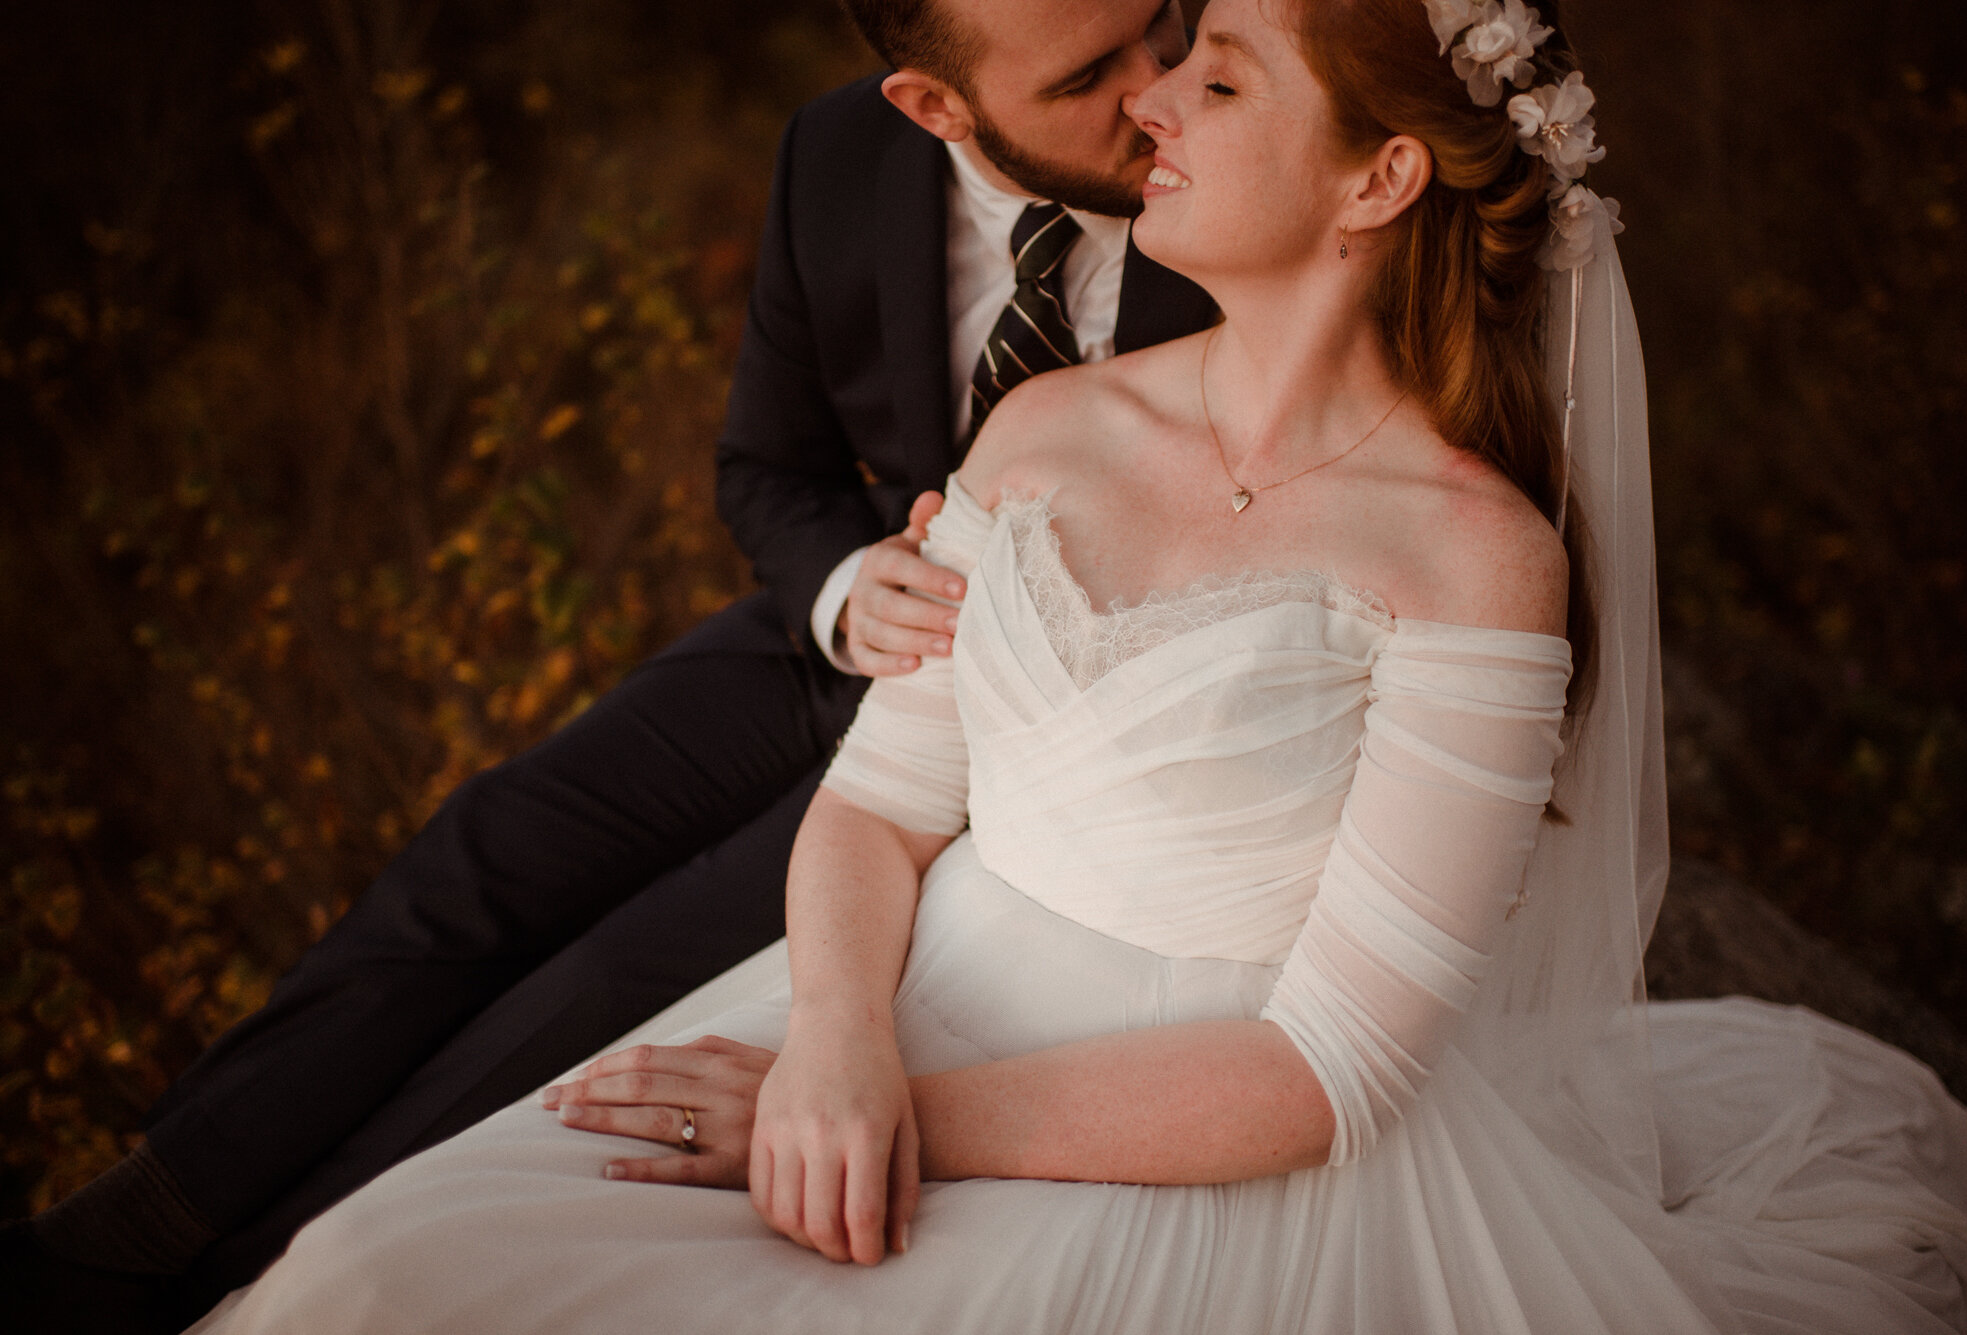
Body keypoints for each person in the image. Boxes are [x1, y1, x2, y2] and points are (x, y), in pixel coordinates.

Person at [187, 0, 1967, 1330]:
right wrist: (830, 1045)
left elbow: (1331, 1068)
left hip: (1199, 1141)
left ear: (1379, 178)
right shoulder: (1042, 429)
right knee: (377, 1274)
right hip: (880, 1003)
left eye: (1216, 77)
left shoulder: (1475, 557)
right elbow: (879, 809)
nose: (1158, 109)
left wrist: (911, 1120)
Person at [4, 0, 1213, 1325]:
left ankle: (265, 1284)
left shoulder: (1239, 150)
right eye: (1090, 76)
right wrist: (842, 587)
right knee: (485, 855)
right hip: (835, 637)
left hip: (1041, 708)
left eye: (1159, 20)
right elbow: (767, 467)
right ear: (934, 108)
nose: (1163, 83)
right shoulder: (835, 159)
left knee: (610, 980)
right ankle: (132, 1224)